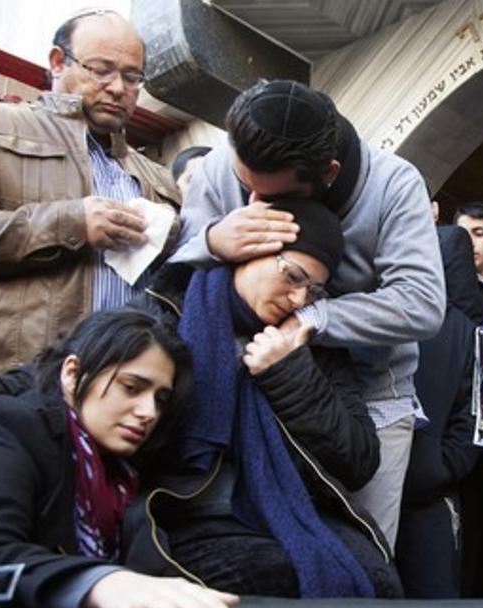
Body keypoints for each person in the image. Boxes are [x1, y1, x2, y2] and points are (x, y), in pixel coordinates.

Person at [0, 198, 401, 601]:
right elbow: (64, 371)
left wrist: (289, 373)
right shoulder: (169, 307)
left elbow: (357, 459)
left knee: (373, 579)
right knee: (272, 578)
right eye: (291, 276)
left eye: (313, 292)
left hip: (289, 514)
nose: (298, 300)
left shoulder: (313, 345)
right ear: (248, 250)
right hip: (177, 514)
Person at [171, 80, 445, 548]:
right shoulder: (221, 165)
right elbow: (178, 263)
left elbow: (421, 302)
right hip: (247, 385)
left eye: (268, 194)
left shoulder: (394, 184)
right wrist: (214, 239)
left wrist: (311, 318)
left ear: (328, 172)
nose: (251, 201)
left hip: (372, 397)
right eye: (244, 186)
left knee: (364, 555)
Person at [0, 9, 181, 389]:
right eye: (100, 69)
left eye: (132, 77)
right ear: (57, 63)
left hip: (114, 399)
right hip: (6, 388)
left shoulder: (157, 177)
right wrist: (70, 224)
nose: (117, 88)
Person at [0, 307, 238, 608]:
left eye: (161, 399)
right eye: (131, 387)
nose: (149, 412)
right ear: (72, 373)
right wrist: (100, 582)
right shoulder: (10, 431)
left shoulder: (122, 474)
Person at [396, 226, 483, 598]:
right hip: (365, 489)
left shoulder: (462, 329)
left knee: (434, 605)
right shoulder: (379, 310)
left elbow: (475, 413)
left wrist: (441, 469)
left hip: (428, 498)